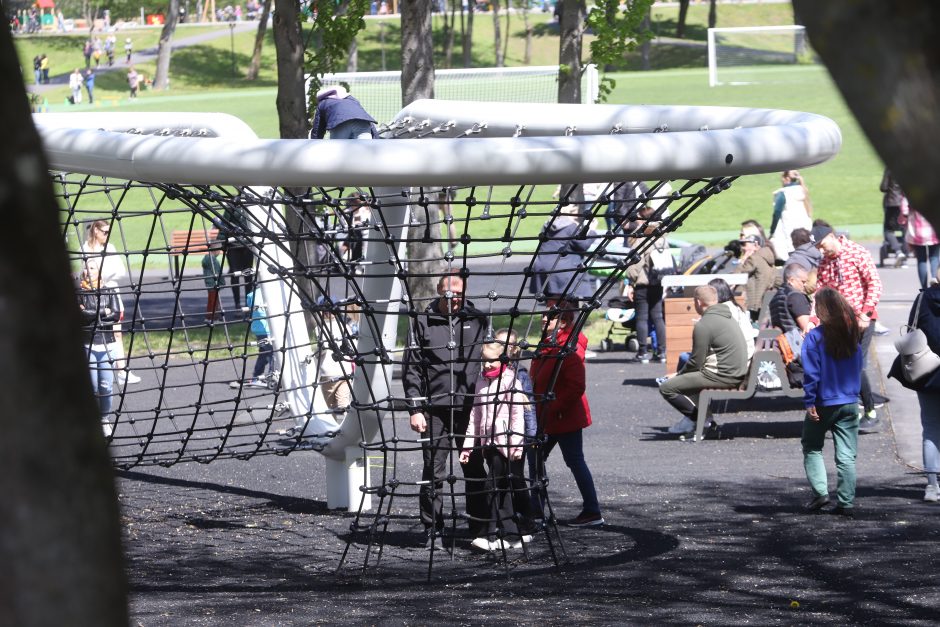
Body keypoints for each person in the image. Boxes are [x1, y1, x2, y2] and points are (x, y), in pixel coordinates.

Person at [402, 272, 488, 550]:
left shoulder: (477, 319)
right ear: (438, 291)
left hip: (469, 407)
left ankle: (480, 526)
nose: (452, 299)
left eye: (458, 293)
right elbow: (412, 368)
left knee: (474, 467)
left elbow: (491, 357)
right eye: (447, 293)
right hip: (434, 409)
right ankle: (433, 529)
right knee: (434, 471)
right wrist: (415, 408)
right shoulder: (422, 322)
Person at [530, 299, 604, 527]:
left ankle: (590, 511)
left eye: (550, 316)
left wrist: (553, 409)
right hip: (549, 414)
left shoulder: (568, 349)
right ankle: (536, 512)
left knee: (569, 460)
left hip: (562, 416)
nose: (544, 319)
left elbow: (575, 387)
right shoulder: (549, 343)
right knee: (537, 460)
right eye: (544, 315)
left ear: (563, 322)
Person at [459, 341, 535, 551]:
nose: (487, 365)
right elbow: (475, 416)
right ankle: (511, 535)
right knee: (501, 491)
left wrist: (518, 446)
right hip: (488, 444)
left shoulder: (511, 382)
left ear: (503, 360)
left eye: (491, 360)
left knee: (491, 487)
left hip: (506, 444)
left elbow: (518, 416)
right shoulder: (481, 381)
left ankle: (489, 535)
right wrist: (467, 447)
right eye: (484, 360)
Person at [812, 223, 883, 431]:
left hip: (861, 319)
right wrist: (814, 320)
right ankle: (855, 410)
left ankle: (869, 410)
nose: (821, 250)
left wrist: (866, 312)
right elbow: (821, 292)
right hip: (840, 323)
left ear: (832, 236)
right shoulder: (825, 262)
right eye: (818, 248)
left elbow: (874, 283)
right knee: (845, 365)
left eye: (822, 245)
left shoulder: (856, 252)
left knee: (856, 365)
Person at [800, 287, 863, 517]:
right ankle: (846, 502)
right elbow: (858, 370)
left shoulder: (814, 337)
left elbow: (811, 374)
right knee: (846, 456)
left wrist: (809, 401)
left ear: (821, 310)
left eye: (814, 304)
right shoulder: (851, 336)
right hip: (849, 401)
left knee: (812, 446)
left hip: (823, 401)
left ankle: (820, 492)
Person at [660, 285, 749, 436]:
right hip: (736, 372)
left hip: (723, 375)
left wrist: (677, 375)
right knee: (687, 381)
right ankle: (704, 420)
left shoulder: (704, 324)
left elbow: (695, 362)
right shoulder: (727, 316)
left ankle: (703, 422)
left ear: (698, 302)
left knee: (667, 387)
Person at [888, 270, 940, 502]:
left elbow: (913, 328)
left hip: (927, 372)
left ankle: (932, 486)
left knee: (930, 430)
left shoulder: (922, 298)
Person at [82, 220, 140, 386]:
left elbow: (120, 271)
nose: (107, 235)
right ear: (96, 231)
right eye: (104, 232)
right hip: (90, 299)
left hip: (110, 295)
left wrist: (99, 274)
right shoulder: (85, 249)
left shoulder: (110, 248)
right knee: (91, 335)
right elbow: (83, 273)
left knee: (116, 333)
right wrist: (94, 275)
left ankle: (121, 370)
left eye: (108, 232)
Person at [78, 258, 121, 437]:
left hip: (107, 344)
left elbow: (116, 315)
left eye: (93, 268)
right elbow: (81, 315)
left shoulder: (109, 291)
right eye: (86, 268)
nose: (89, 271)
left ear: (99, 270)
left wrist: (93, 315)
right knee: (92, 386)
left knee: (106, 387)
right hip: (88, 344)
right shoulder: (78, 292)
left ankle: (104, 419)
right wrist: (104, 312)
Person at [623, 204, 669, 363]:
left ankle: (643, 352)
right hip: (658, 282)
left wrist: (630, 283)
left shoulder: (640, 239)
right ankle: (661, 352)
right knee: (658, 316)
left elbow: (634, 266)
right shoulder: (662, 238)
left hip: (642, 283)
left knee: (642, 317)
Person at [530, 204, 594, 301]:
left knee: (552, 302)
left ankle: (549, 315)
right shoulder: (571, 227)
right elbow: (583, 245)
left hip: (541, 266)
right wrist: (592, 231)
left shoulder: (547, 225)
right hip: (561, 269)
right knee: (564, 304)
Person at [230, 286, 274, 388]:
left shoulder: (253, 294)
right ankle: (272, 377)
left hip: (258, 329)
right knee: (273, 352)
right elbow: (260, 310)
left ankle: (256, 377)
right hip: (266, 329)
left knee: (264, 353)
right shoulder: (267, 292)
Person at [770, 170, 813, 261]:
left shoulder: (782, 193)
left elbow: (776, 213)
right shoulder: (803, 190)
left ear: (787, 178)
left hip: (789, 231)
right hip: (805, 232)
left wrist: (772, 231)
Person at [734, 233, 777, 322]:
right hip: (764, 300)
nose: (743, 248)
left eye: (745, 244)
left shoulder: (753, 259)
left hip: (752, 302)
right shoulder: (767, 257)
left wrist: (743, 261)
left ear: (756, 245)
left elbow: (736, 276)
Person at [310, 86, 377, 140]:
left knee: (338, 153)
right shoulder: (352, 99)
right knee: (365, 153)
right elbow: (364, 116)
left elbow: (318, 128)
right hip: (363, 124)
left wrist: (314, 142)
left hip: (340, 124)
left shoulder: (323, 103)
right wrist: (376, 138)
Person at [905, 205, 939, 289]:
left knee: (921, 260)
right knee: (934, 257)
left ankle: (924, 288)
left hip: (917, 230)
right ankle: (934, 277)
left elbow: (904, 209)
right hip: (934, 229)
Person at [880, 169, 908, 266]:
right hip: (905, 203)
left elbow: (883, 187)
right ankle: (905, 258)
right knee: (905, 230)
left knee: (888, 230)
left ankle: (898, 251)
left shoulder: (889, 169)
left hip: (892, 203)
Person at [201, 244, 225, 322]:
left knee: (211, 300)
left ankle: (209, 317)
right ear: (216, 250)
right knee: (214, 301)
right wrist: (221, 281)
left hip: (209, 282)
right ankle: (213, 318)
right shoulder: (213, 260)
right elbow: (216, 272)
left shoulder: (207, 258)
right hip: (213, 283)